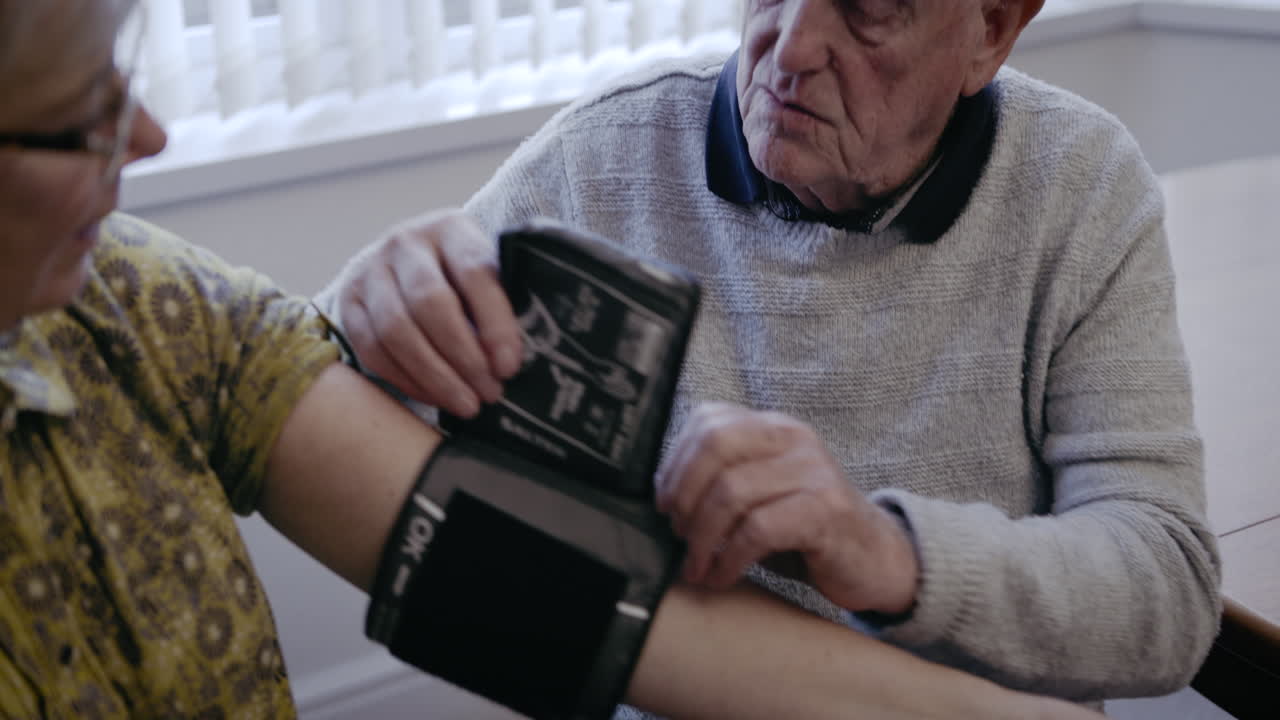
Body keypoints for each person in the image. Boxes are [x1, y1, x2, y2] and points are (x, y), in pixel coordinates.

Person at [0, 0, 1113, 718]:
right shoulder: (615, 148)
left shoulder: (148, 314)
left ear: (993, 32)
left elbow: (589, 612)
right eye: (77, 121)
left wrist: (386, 313)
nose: (145, 138)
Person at [322, 0, 1224, 714]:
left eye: (868, 6)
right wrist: (370, 312)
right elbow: (317, 382)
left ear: (991, 28)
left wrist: (885, 551)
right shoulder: (602, 158)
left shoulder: (1082, 183)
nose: (788, 46)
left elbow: (1166, 592)